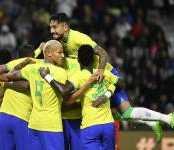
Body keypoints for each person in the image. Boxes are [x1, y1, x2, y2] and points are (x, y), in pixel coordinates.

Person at [48, 13, 174, 144]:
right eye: (50, 27)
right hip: (92, 77)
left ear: (65, 27)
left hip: (105, 75)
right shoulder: (62, 41)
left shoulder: (78, 38)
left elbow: (102, 52)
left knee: (127, 112)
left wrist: (101, 70)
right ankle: (152, 124)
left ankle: (168, 118)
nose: (52, 31)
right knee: (112, 112)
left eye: (54, 27)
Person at [39, 44, 119, 150]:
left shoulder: (79, 77)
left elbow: (65, 92)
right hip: (108, 125)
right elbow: (120, 83)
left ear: (78, 60)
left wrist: (47, 77)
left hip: (90, 126)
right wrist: (107, 94)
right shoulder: (104, 74)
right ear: (94, 59)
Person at [0, 44, 36, 150]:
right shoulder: (34, 67)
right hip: (21, 116)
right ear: (33, 55)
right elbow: (26, 85)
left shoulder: (9, 70)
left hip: (1, 118)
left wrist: (6, 85)